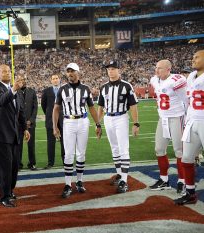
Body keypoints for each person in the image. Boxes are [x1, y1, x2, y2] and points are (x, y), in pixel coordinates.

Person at [53, 63, 101, 198]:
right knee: (68, 154)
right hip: (68, 121)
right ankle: (68, 184)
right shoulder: (62, 89)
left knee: (81, 154)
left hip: (83, 121)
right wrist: (54, 126)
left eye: (72, 71)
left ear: (78, 73)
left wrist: (98, 124)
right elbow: (56, 108)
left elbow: (91, 107)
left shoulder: (86, 89)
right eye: (68, 71)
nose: (70, 74)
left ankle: (79, 181)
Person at [97, 60, 139, 194]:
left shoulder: (126, 86)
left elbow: (133, 105)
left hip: (121, 117)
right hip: (108, 118)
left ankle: (124, 181)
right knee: (114, 148)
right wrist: (98, 124)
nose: (111, 71)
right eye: (109, 69)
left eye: (113, 68)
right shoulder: (103, 87)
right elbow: (100, 107)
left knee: (123, 149)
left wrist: (136, 123)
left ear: (118, 70)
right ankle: (120, 174)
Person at [0, 64, 30, 207]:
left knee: (14, 166)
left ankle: (10, 190)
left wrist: (25, 128)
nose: (7, 73)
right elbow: (1, 100)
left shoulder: (16, 91)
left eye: (8, 71)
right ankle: (4, 196)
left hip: (14, 134)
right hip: (0, 134)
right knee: (4, 167)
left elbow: (20, 112)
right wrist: (13, 89)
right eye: (4, 72)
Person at [149, 60, 187, 193]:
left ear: (168, 69)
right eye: (156, 67)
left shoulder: (177, 80)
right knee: (159, 149)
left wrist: (188, 117)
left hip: (177, 117)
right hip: (163, 118)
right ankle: (164, 180)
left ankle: (182, 181)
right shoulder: (154, 79)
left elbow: (186, 99)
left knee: (179, 151)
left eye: (159, 68)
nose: (156, 70)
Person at [174, 50, 204, 205]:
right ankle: (191, 193)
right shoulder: (192, 76)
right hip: (192, 121)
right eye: (192, 56)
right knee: (187, 158)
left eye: (197, 57)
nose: (193, 59)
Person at [41, 74, 65, 169]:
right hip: (50, 120)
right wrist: (50, 114)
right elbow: (43, 105)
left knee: (64, 142)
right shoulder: (46, 91)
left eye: (56, 78)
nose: (55, 80)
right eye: (53, 79)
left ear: (59, 79)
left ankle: (65, 161)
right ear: (51, 81)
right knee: (50, 142)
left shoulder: (64, 90)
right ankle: (50, 163)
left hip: (63, 120)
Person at [18, 76, 38, 171]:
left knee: (31, 144)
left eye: (22, 80)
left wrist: (31, 120)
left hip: (30, 123)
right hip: (18, 124)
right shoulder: (15, 92)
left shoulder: (32, 91)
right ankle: (18, 164)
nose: (21, 81)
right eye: (19, 80)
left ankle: (32, 163)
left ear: (25, 81)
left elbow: (35, 107)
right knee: (18, 145)